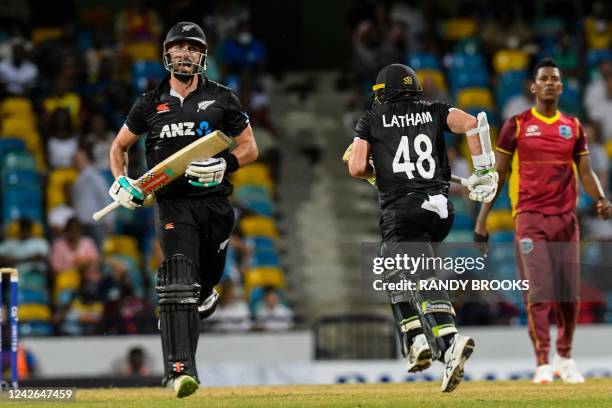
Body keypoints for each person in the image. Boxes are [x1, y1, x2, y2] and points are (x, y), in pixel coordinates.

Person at [107, 21, 258, 398]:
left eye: (193, 48)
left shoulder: (223, 98)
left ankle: (207, 291)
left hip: (216, 204)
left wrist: (227, 165)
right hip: (173, 205)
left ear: (202, 56)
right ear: (167, 54)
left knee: (202, 284)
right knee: (177, 281)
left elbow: (250, 147)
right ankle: (180, 372)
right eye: (179, 47)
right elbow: (119, 148)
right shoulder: (148, 102)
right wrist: (121, 181)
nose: (185, 54)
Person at [347, 63, 498, 393]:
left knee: (417, 272)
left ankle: (447, 342)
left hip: (403, 210)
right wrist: (484, 171)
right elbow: (474, 124)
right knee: (391, 267)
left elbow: (357, 167)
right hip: (441, 211)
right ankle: (415, 339)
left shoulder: (371, 119)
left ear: (382, 92)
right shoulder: (435, 109)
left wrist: (378, 168)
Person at [474, 58, 611, 385]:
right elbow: (500, 173)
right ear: (534, 87)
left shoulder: (573, 127)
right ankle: (541, 362)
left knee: (567, 295)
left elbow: (586, 172)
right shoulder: (516, 125)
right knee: (538, 291)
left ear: (561, 88)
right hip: (530, 218)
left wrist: (601, 198)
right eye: (544, 78)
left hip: (566, 219)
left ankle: (564, 358)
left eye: (555, 79)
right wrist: (482, 220)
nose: (550, 83)